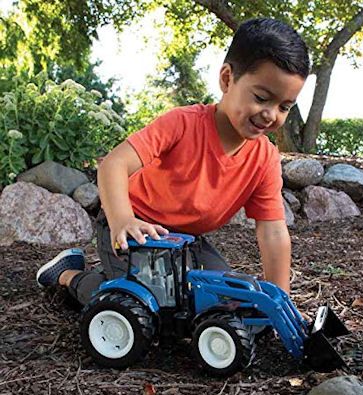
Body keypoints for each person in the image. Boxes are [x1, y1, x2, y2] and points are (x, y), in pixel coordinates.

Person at [36, 17, 310, 307]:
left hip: (186, 240)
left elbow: (273, 231)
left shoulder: (264, 158)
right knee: (138, 304)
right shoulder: (183, 124)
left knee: (220, 298)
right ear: (227, 79)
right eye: (261, 98)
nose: (271, 115)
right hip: (135, 225)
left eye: (283, 107)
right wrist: (122, 220)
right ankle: (68, 274)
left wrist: (281, 300)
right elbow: (113, 164)